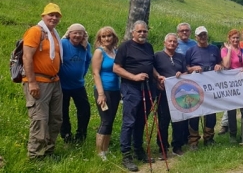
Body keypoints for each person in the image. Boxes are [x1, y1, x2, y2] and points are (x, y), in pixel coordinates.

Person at [114, 20, 165, 172]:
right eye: (139, 31)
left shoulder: (148, 47)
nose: (142, 33)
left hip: (148, 87)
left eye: (145, 31)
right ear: (133, 32)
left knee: (142, 120)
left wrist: (158, 77)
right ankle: (126, 155)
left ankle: (138, 150)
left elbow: (151, 66)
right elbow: (116, 68)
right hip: (131, 87)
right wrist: (133, 77)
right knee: (129, 121)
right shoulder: (125, 46)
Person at [22, 3, 64, 160]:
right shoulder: (35, 31)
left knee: (56, 118)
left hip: (54, 82)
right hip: (38, 82)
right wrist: (32, 82)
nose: (54, 18)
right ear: (43, 16)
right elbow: (27, 57)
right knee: (40, 119)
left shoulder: (54, 34)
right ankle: (35, 156)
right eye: (50, 15)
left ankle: (49, 151)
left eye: (57, 15)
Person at [185, 26, 223, 149]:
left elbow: (220, 62)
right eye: (200, 35)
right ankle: (194, 141)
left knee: (211, 112)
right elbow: (185, 67)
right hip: (195, 88)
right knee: (195, 113)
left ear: (207, 35)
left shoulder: (214, 49)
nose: (202, 37)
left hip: (211, 87)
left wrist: (218, 65)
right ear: (196, 37)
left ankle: (209, 138)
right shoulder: (191, 51)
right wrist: (192, 68)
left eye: (204, 34)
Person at [154, 33, 188, 158]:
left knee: (178, 120)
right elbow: (152, 70)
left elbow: (186, 72)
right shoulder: (157, 56)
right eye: (169, 41)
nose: (172, 43)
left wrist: (182, 73)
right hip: (163, 93)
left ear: (177, 44)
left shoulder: (181, 57)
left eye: (174, 42)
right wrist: (158, 79)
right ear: (165, 43)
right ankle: (162, 147)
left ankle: (177, 146)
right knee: (163, 121)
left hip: (179, 94)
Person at [58, 23, 92, 144]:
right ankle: (66, 134)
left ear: (84, 35)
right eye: (75, 33)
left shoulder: (86, 46)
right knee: (63, 110)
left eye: (80, 33)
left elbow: (88, 61)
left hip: (78, 85)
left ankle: (81, 135)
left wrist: (82, 74)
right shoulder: (63, 44)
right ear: (69, 34)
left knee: (85, 109)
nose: (77, 35)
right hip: (62, 85)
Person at [219, 27, 243, 136]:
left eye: (237, 38)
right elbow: (226, 65)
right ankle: (233, 134)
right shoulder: (224, 50)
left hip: (241, 82)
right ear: (229, 39)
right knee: (231, 109)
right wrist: (230, 50)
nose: (235, 40)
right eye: (233, 38)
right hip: (230, 83)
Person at [91, 26, 120, 161]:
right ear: (100, 39)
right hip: (103, 90)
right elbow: (95, 73)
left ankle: (106, 149)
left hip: (115, 90)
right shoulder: (99, 52)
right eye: (104, 36)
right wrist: (101, 94)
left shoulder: (115, 51)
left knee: (111, 121)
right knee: (106, 120)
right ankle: (99, 152)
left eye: (109, 36)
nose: (107, 38)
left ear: (114, 37)